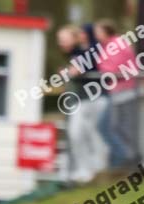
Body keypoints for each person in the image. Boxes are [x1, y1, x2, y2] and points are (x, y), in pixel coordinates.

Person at [56, 25, 108, 183]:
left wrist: (66, 72)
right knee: (76, 133)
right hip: (83, 100)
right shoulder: (75, 52)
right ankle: (83, 169)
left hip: (94, 100)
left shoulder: (86, 50)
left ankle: (95, 169)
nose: (61, 43)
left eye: (63, 39)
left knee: (88, 134)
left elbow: (76, 70)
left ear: (74, 37)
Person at [93, 19, 140, 169]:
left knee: (119, 127)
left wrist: (102, 71)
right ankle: (125, 157)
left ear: (106, 31)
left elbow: (111, 68)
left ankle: (128, 157)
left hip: (124, 92)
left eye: (98, 31)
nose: (96, 34)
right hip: (119, 92)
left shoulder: (116, 45)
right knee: (117, 126)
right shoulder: (112, 45)